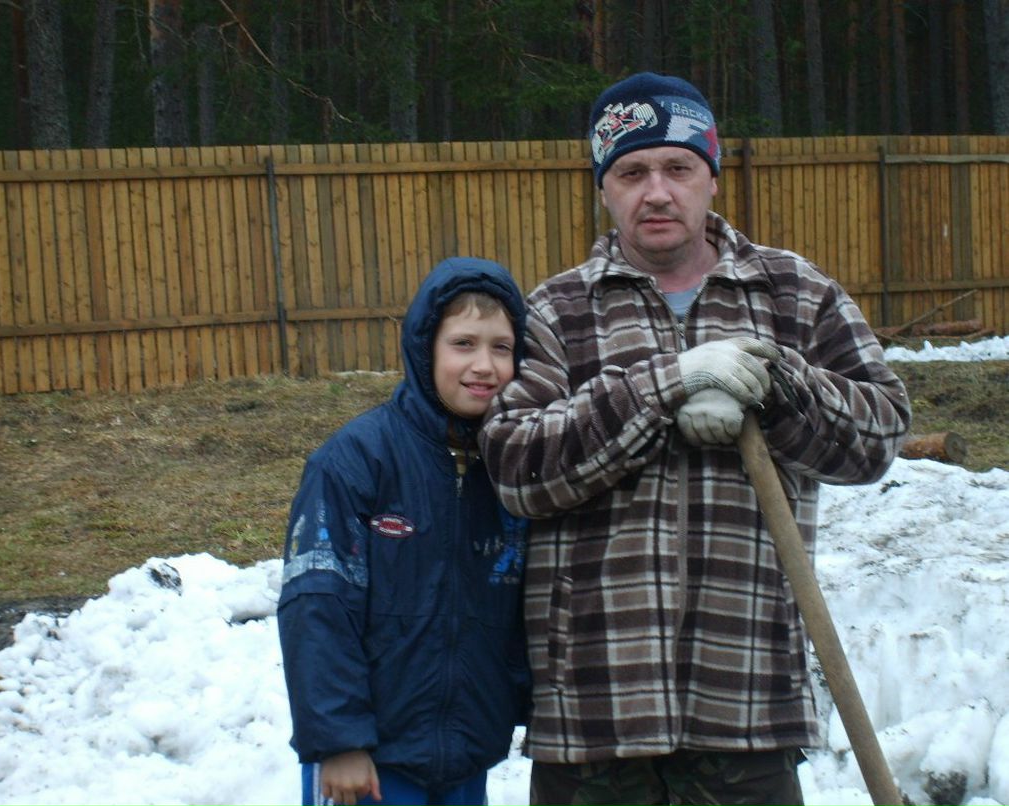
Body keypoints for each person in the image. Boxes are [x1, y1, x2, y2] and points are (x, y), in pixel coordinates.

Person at [478, 72, 912, 806]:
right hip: (596, 705)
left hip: (745, 700)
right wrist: (664, 384)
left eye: (678, 168)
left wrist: (774, 385)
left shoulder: (793, 294)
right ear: (603, 188)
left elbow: (878, 437)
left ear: (711, 178)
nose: (656, 191)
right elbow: (517, 467)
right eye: (631, 172)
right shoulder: (556, 310)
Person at [277, 257, 531, 806]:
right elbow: (317, 604)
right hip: (368, 765)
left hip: (465, 756)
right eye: (463, 344)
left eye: (502, 347)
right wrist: (340, 740)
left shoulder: (512, 467)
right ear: (424, 348)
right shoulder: (356, 461)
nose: (484, 365)